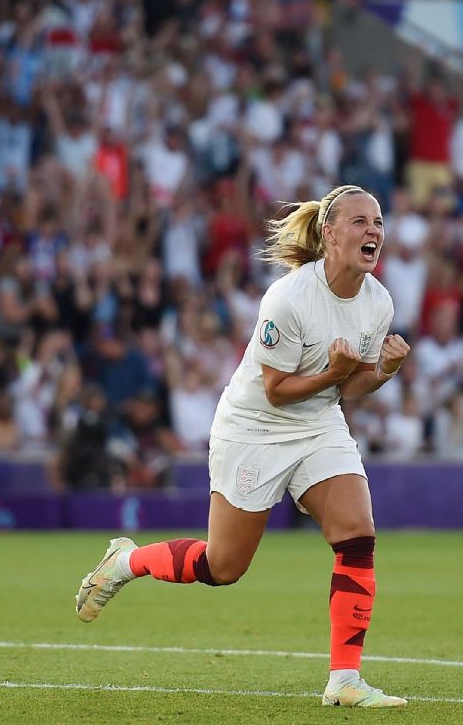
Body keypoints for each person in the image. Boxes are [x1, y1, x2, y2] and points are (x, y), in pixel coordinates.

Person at [74, 185, 413, 707]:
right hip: (254, 427)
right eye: (360, 222)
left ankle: (345, 680)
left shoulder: (378, 302)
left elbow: (350, 388)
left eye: (378, 222)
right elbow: (276, 391)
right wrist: (335, 373)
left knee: (357, 533)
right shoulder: (288, 298)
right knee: (223, 567)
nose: (374, 232)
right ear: (329, 234)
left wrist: (383, 371)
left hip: (319, 424)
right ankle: (128, 560)